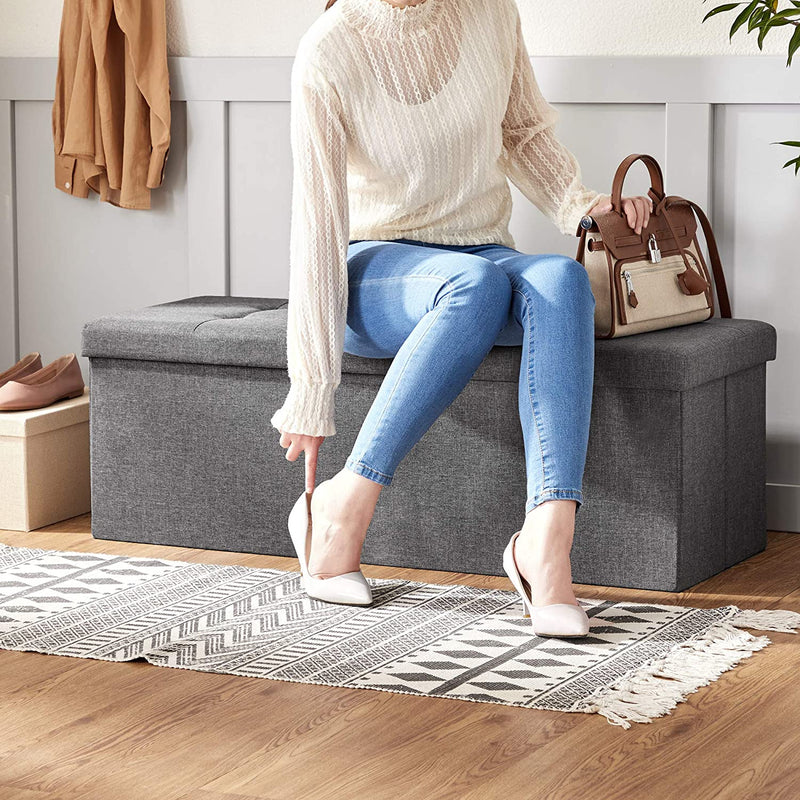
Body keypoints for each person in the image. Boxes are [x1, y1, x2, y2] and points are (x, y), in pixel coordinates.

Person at [271, 0, 653, 635]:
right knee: (472, 286)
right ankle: (340, 505)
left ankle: (546, 543)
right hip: (375, 268)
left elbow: (522, 133)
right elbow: (318, 227)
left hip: (479, 255)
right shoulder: (328, 50)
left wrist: (583, 206)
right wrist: (311, 389)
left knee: (561, 278)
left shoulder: (491, 11)